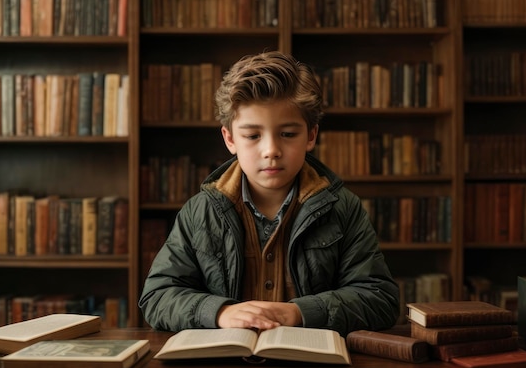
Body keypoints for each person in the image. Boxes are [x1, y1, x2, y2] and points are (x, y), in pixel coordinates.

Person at [139, 51, 399, 336]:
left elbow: (380, 299)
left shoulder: (343, 209)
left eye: (288, 134)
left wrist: (299, 312)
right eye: (252, 136)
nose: (271, 150)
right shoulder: (200, 212)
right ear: (230, 139)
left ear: (311, 136)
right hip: (224, 367)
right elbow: (157, 297)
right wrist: (220, 312)